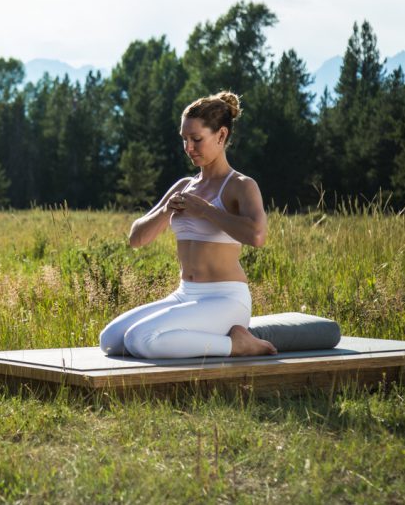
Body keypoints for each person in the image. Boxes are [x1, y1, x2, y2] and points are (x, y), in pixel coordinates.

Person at [99, 91, 278, 359]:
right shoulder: (184, 186)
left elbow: (257, 235)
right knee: (110, 339)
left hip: (226, 299)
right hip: (185, 295)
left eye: (196, 139)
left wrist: (205, 210)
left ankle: (238, 345)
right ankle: (214, 342)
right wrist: (165, 212)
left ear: (221, 136)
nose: (189, 148)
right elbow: (136, 239)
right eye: (184, 139)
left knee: (140, 339)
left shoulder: (240, 186)